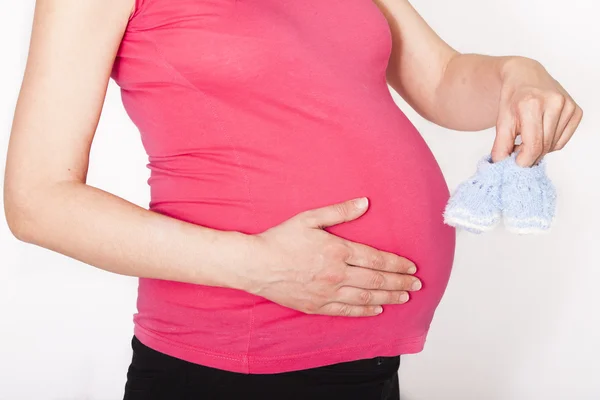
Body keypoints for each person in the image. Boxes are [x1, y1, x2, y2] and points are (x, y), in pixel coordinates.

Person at [4, 0, 582, 399]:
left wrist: (517, 74)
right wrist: (258, 267)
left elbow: (441, 78)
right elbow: (38, 199)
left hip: (367, 358)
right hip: (232, 363)